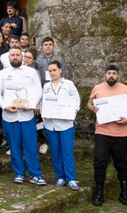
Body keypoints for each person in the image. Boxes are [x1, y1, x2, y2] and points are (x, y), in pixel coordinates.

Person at [0, 47, 45, 185]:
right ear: (9, 57)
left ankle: (35, 174)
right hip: (9, 116)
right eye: (12, 55)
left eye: (17, 55)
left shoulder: (31, 72)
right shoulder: (2, 74)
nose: (15, 57)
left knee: (31, 146)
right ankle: (19, 173)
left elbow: (39, 91)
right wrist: (5, 106)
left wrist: (33, 104)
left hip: (27, 115)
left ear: (22, 57)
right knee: (14, 146)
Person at [87, 65, 127, 207]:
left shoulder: (126, 89)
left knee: (121, 163)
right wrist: (92, 108)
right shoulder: (97, 88)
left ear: (118, 75)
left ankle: (124, 192)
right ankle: (99, 192)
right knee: (100, 162)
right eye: (109, 73)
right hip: (102, 132)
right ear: (105, 75)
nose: (111, 76)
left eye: (114, 73)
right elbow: (89, 103)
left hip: (121, 133)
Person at [40, 60, 80, 190]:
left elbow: (76, 98)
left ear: (60, 70)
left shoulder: (68, 84)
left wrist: (75, 110)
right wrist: (43, 112)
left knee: (67, 151)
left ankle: (71, 178)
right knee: (55, 151)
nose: (52, 73)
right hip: (50, 123)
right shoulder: (46, 86)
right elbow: (43, 102)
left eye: (54, 70)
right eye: (50, 71)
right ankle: (60, 177)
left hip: (66, 124)